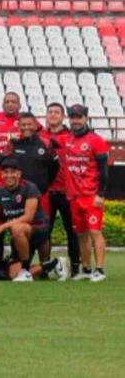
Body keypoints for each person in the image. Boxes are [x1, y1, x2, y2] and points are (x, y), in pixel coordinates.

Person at [0, 158, 66, 282]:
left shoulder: (29, 187)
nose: (9, 175)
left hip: (38, 229)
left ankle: (25, 271)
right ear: (1, 174)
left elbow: (28, 217)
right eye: (6, 172)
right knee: (12, 274)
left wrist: (2, 227)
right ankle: (54, 263)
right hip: (20, 236)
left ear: (19, 174)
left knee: (17, 228)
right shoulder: (0, 191)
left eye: (12, 172)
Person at [61, 104, 110, 282]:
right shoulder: (68, 139)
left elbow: (104, 170)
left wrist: (101, 194)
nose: (75, 120)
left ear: (85, 118)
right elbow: (51, 139)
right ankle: (87, 269)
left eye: (78, 117)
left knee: (95, 232)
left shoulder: (96, 140)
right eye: (72, 117)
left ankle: (100, 270)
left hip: (91, 195)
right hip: (74, 196)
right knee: (81, 234)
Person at [41, 102, 79, 275]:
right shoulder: (40, 135)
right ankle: (45, 267)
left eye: (57, 112)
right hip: (47, 192)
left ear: (63, 116)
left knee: (72, 231)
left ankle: (76, 267)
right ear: (46, 116)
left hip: (68, 192)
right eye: (50, 112)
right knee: (44, 231)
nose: (53, 115)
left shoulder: (72, 136)